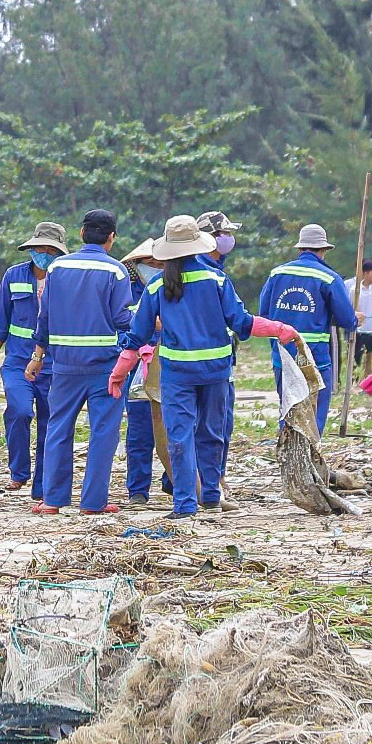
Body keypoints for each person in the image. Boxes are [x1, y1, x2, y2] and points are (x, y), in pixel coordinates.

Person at [125, 216, 297, 519]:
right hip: (216, 371)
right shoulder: (216, 279)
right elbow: (241, 322)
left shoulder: (156, 286)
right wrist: (279, 328)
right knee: (211, 433)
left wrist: (118, 372)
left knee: (179, 436)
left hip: (177, 374)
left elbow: (137, 335)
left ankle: (185, 505)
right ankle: (213, 498)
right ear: (197, 246)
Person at [28, 209, 133, 516]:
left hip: (63, 365)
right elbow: (121, 319)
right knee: (104, 432)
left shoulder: (58, 268)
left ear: (81, 233)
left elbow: (44, 316)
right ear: (111, 238)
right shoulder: (116, 272)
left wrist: (38, 356)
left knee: (58, 428)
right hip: (105, 367)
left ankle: (52, 500)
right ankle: (93, 502)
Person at [0, 222, 66, 502]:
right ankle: (19, 471)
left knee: (49, 423)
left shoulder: (66, 277)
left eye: (48, 249)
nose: (42, 253)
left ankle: (42, 487)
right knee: (19, 411)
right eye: (38, 248)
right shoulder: (14, 276)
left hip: (54, 364)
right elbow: (0, 321)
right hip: (17, 361)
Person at [258, 224, 358, 434]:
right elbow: (347, 320)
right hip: (316, 359)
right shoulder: (329, 277)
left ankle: (288, 456)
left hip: (283, 356)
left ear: (300, 249)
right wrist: (355, 319)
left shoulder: (277, 274)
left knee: (288, 408)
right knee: (315, 412)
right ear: (323, 250)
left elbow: (263, 316)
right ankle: (310, 457)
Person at [119, 238, 169, 507]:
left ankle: (172, 481)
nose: (157, 267)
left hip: (170, 364)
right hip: (137, 367)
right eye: (151, 264)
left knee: (175, 426)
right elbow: (122, 330)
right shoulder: (125, 292)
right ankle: (138, 490)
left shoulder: (170, 287)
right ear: (136, 266)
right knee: (139, 432)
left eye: (161, 263)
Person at [197, 210, 242, 493]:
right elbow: (239, 319)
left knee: (211, 423)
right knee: (213, 424)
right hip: (211, 363)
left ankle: (206, 479)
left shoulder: (217, 270)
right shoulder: (208, 274)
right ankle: (210, 482)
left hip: (219, 359)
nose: (229, 239)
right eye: (223, 234)